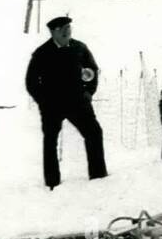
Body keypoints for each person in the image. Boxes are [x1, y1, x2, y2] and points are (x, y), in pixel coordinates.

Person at [24, 16, 107, 189]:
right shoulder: (42, 53)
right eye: (63, 29)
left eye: (69, 28)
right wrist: (43, 102)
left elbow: (92, 70)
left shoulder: (80, 48)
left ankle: (98, 176)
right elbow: (31, 82)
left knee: (94, 133)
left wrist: (88, 92)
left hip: (78, 102)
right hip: (52, 106)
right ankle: (52, 182)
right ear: (54, 32)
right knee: (50, 141)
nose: (67, 32)